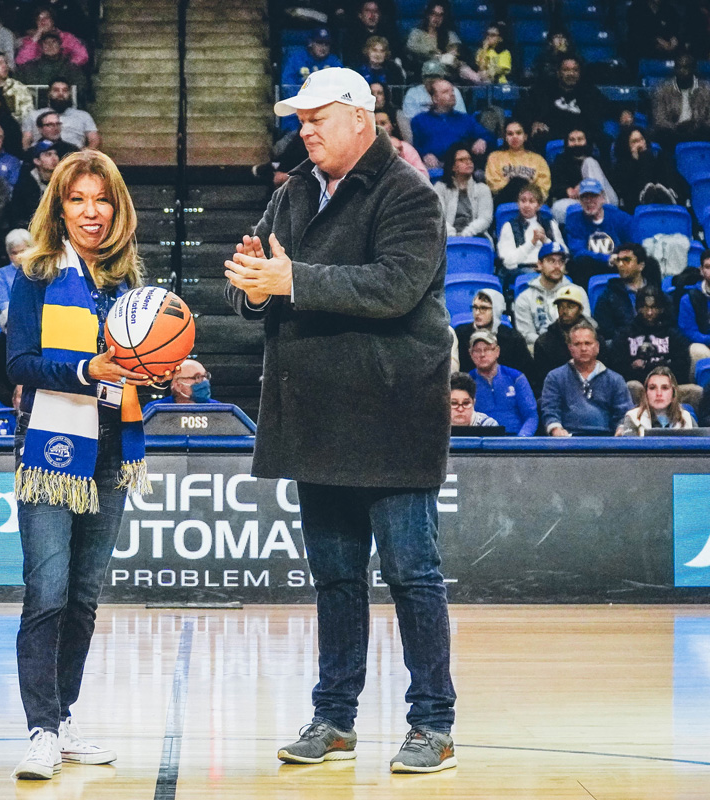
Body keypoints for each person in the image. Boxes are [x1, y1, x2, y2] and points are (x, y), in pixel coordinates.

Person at [225, 68, 457, 774]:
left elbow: (395, 287)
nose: (305, 131)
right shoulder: (294, 191)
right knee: (335, 577)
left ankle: (434, 724)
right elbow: (254, 288)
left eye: (317, 118)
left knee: (412, 573)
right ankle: (334, 717)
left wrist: (291, 280)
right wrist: (254, 287)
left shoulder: (409, 193)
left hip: (392, 415)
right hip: (319, 415)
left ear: (362, 117)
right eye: (300, 120)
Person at [5, 150, 154, 780]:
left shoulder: (128, 283)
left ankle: (64, 719)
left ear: (117, 209)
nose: (91, 213)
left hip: (112, 449)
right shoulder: (35, 273)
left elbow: (137, 366)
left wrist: (166, 371)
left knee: (84, 599)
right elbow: (18, 365)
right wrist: (86, 370)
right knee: (48, 592)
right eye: (78, 200)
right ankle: (40, 730)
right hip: (52, 446)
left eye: (102, 200)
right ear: (59, 209)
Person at [541, 320, 634, 436]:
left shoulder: (615, 380)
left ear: (597, 347)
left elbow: (624, 414)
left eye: (588, 343)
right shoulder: (555, 377)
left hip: (606, 440)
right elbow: (550, 410)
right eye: (577, 344)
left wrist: (621, 429)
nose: (583, 348)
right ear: (570, 348)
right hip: (567, 440)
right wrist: (556, 429)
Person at [608, 284, 695, 401]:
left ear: (661, 309)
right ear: (637, 308)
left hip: (668, 388)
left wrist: (647, 369)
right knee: (632, 386)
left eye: (654, 308)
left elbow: (682, 368)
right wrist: (658, 368)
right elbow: (618, 368)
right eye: (645, 307)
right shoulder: (624, 334)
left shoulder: (673, 335)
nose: (649, 312)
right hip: (639, 389)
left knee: (695, 391)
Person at [512, 241, 589, 354]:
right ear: (539, 264)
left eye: (561, 261)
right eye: (551, 261)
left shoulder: (578, 292)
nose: (557, 266)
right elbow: (526, 334)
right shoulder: (525, 297)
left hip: (574, 349)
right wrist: (551, 344)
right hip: (541, 349)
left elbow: (585, 326)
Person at [518, 57, 609, 151]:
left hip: (582, 133)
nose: (571, 74)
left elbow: (608, 109)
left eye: (575, 70)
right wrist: (532, 123)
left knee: (604, 140)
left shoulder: (590, 92)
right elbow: (522, 109)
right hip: (552, 133)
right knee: (535, 138)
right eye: (566, 70)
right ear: (558, 72)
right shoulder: (543, 90)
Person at [564, 179, 633, 291]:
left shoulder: (621, 218)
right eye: (585, 197)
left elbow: (632, 245)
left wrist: (620, 257)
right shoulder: (574, 220)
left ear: (603, 198)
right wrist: (607, 258)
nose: (589, 201)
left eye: (593, 196)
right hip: (592, 266)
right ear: (579, 200)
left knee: (647, 262)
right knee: (581, 262)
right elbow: (578, 251)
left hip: (619, 262)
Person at [410, 78, 494, 170]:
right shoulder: (419, 120)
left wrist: (482, 140)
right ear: (435, 99)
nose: (452, 94)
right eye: (445, 92)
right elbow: (416, 146)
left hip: (461, 167)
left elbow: (489, 136)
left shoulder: (465, 119)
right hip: (434, 167)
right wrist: (425, 155)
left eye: (452, 91)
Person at [467, 329, 537, 436]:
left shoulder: (516, 378)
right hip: (481, 441)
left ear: (497, 351)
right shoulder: (467, 382)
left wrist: (522, 438)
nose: (482, 354)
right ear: (471, 354)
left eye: (487, 349)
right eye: (477, 350)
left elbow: (531, 415)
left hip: (515, 439)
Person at [648, 54, 710, 149]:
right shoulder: (662, 90)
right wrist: (678, 127)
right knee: (659, 135)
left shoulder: (708, 90)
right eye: (679, 67)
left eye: (686, 67)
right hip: (672, 133)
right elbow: (660, 120)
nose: (682, 71)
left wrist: (695, 126)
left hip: (700, 132)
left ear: (694, 70)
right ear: (674, 69)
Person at [454, 288, 532, 378]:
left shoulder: (513, 339)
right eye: (475, 307)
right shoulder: (461, 334)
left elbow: (526, 374)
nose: (477, 313)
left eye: (483, 308)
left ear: (496, 310)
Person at [496, 184, 563, 285]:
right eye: (523, 201)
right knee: (534, 277)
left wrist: (545, 241)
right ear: (518, 203)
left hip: (547, 269)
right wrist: (532, 243)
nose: (526, 205)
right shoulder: (509, 226)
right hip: (520, 269)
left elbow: (563, 253)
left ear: (539, 205)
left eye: (531, 201)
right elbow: (508, 261)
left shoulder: (550, 224)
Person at [593, 243, 660, 344]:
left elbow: (668, 324)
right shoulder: (608, 296)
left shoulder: (658, 294)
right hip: (622, 345)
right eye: (618, 260)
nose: (620, 264)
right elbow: (606, 331)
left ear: (641, 266)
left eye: (626, 260)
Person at [610, 125, 687, 211]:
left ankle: (671, 195)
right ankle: (645, 196)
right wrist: (637, 161)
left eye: (642, 139)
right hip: (635, 202)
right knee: (646, 158)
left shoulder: (653, 158)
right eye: (635, 142)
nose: (640, 144)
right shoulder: (621, 166)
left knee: (663, 157)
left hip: (659, 194)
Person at [548, 127, 618, 220]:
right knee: (557, 208)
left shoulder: (596, 160)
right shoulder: (560, 161)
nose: (576, 143)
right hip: (578, 202)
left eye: (580, 139)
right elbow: (554, 185)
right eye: (572, 140)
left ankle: (602, 214)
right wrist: (566, 190)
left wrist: (584, 186)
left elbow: (609, 184)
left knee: (589, 162)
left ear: (586, 141)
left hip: (604, 201)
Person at [531, 284, 592, 389]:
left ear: (580, 309)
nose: (565, 311)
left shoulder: (595, 339)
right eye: (561, 306)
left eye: (570, 306)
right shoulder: (545, 342)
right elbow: (543, 382)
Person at [432, 144, 492, 238]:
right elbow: (438, 217)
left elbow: (485, 219)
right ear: (453, 167)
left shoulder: (482, 189)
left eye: (469, 159)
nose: (468, 162)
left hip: (476, 237)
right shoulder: (440, 188)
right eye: (462, 160)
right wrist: (452, 235)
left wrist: (467, 234)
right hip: (447, 238)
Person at [615, 366, 697, 435]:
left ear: (673, 393)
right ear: (646, 393)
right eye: (652, 388)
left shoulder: (687, 419)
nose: (659, 393)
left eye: (665, 388)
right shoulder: (633, 418)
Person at [485, 119, 550, 206]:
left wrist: (526, 194)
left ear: (525, 136)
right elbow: (494, 185)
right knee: (517, 182)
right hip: (505, 200)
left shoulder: (538, 160)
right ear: (505, 137)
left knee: (520, 183)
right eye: (510, 134)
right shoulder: (494, 157)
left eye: (518, 133)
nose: (514, 137)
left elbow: (543, 188)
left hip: (531, 202)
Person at [23, 81, 100, 151]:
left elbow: (94, 140)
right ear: (49, 93)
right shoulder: (33, 115)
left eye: (65, 90)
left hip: (73, 156)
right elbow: (26, 141)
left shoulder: (83, 116)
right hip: (42, 155)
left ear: (69, 94)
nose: (61, 94)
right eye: (56, 90)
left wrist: (84, 156)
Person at [14, 30, 89, 98]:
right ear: (41, 47)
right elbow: (17, 88)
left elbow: (80, 89)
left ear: (60, 45)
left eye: (54, 42)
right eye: (46, 43)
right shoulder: (27, 68)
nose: (50, 45)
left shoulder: (72, 68)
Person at [11, 139, 68, 228]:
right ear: (37, 161)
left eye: (55, 154)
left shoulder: (64, 181)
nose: (54, 158)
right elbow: (19, 215)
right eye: (48, 155)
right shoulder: (25, 183)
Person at [14, 6, 89, 70]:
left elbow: (82, 55)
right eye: (39, 19)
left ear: (52, 21)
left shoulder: (66, 37)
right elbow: (21, 61)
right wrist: (36, 37)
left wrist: (66, 66)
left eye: (46, 17)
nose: (43, 21)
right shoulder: (30, 40)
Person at [404, 3, 459, 78]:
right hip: (423, 69)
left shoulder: (449, 34)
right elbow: (412, 48)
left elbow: (457, 48)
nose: (437, 18)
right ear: (428, 15)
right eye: (434, 14)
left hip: (446, 71)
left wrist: (451, 54)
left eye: (440, 15)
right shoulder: (416, 33)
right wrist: (434, 54)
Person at [143, 358, 215, 413]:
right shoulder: (155, 410)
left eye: (206, 376)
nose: (205, 381)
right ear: (177, 385)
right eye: (197, 377)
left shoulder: (216, 409)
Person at [374, 110, 428, 180]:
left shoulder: (406, 148)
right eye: (375, 124)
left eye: (383, 123)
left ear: (392, 125)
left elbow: (423, 176)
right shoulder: (366, 149)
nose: (379, 127)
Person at [0, 229, 31, 330]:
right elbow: (2, 300)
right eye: (14, 253)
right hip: (10, 315)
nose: (19, 256)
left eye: (23, 251)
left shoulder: (39, 271)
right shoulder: (3, 272)